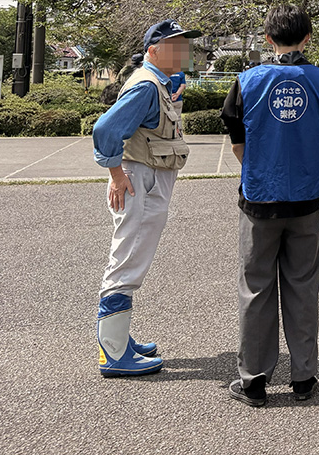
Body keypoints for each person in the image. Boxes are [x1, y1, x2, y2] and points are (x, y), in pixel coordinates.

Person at [221, 4, 319, 407]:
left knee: (256, 288)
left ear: (268, 39)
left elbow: (238, 144)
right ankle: (304, 377)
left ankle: (254, 381)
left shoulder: (246, 81)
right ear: (308, 37)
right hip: (307, 198)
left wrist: (264, 169)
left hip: (259, 197)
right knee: (303, 285)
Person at [91, 19, 199, 377]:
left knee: (132, 256)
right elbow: (105, 129)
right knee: (128, 260)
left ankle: (120, 339)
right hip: (141, 180)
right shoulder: (147, 85)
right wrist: (115, 172)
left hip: (147, 177)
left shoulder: (159, 82)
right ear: (154, 50)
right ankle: (115, 352)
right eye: (177, 44)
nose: (185, 51)